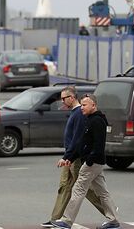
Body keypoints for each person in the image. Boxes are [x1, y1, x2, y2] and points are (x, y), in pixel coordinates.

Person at [51, 95, 120, 229]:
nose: (82, 108)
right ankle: (113, 220)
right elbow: (81, 144)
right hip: (94, 163)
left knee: (78, 190)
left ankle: (66, 221)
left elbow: (98, 146)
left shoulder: (97, 121)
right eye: (81, 105)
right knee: (102, 192)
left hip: (92, 163)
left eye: (85, 105)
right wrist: (68, 158)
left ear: (93, 105)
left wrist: (88, 162)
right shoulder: (89, 120)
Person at [41, 86, 105, 228]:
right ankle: (55, 218)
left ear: (72, 97)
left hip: (74, 157)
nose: (62, 101)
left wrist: (69, 156)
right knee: (65, 187)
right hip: (69, 156)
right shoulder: (75, 113)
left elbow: (78, 139)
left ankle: (109, 211)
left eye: (64, 98)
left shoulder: (79, 114)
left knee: (84, 189)